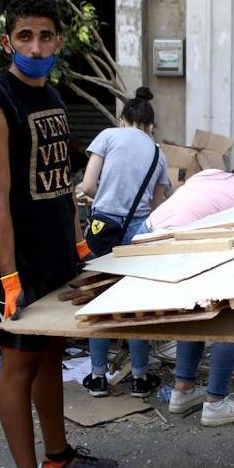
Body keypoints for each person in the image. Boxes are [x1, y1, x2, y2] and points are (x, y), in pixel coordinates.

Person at [0, 0, 115, 468]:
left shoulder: (51, 95)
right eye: (25, 36)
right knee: (18, 365)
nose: (36, 46)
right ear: (8, 42)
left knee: (50, 355)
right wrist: (9, 277)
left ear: (58, 42)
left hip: (58, 255)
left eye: (46, 36)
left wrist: (79, 244)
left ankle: (58, 456)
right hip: (22, 262)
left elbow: (60, 187)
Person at [151, 137, 234, 426]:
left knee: (194, 313)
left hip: (149, 242)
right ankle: (216, 403)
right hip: (177, 250)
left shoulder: (212, 174)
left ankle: (182, 392)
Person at [78, 88, 170, 399]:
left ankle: (98, 376)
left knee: (100, 299)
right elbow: (157, 206)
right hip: (138, 230)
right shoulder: (159, 153)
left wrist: (105, 200)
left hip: (104, 225)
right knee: (134, 302)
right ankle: (141, 378)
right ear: (151, 125)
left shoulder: (107, 136)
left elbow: (88, 185)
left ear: (122, 120)